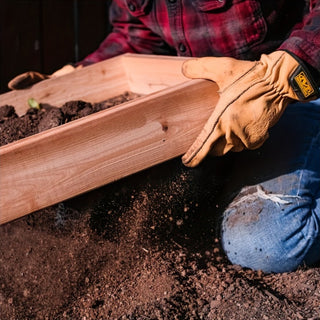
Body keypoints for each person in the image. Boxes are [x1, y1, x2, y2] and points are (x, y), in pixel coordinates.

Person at [9, 0, 320, 273]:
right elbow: (137, 37)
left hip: (299, 89)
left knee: (266, 242)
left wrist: (281, 77)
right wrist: (82, 78)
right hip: (215, 106)